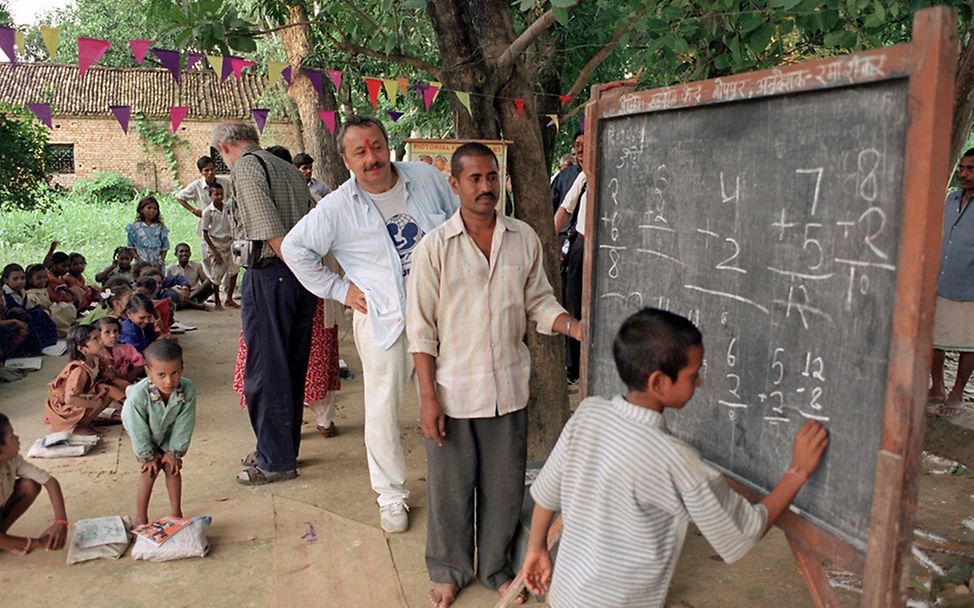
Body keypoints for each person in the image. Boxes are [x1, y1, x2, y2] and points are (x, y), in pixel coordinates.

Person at [520, 308, 830, 607]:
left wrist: (536, 547)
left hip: (568, 593)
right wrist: (798, 471)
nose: (699, 383)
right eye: (692, 375)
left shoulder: (589, 413)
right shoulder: (677, 461)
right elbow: (743, 530)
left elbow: (548, 492)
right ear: (658, 382)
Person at [407, 143, 583, 608]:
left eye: (492, 177)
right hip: (453, 390)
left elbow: (539, 301)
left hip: (508, 386)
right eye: (475, 179)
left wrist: (573, 325)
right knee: (450, 490)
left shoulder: (522, 238)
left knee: (505, 489)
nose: (486, 187)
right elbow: (420, 331)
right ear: (455, 183)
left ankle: (496, 569)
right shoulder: (434, 248)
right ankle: (448, 570)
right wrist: (428, 398)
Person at [282, 115, 457, 532]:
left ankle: (453, 483)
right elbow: (295, 248)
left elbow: (457, 224)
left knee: (451, 399)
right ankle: (392, 494)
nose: (371, 158)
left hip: (443, 313)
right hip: (384, 319)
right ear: (346, 160)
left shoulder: (425, 178)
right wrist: (341, 291)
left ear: (388, 145)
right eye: (360, 151)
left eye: (376, 146)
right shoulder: (337, 207)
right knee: (382, 409)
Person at [210, 121, 317, 486]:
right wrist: (307, 271)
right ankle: (283, 448)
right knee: (290, 365)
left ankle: (274, 460)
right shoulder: (286, 166)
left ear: (225, 147)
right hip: (299, 278)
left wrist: (293, 265)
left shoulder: (247, 166)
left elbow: (268, 227)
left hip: (273, 272)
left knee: (265, 371)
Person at [122, 340, 195, 527]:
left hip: (169, 433)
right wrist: (148, 455)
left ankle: (176, 512)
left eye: (175, 373)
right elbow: (137, 429)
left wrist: (174, 452)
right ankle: (140, 517)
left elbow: (184, 423)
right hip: (143, 432)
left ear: (182, 368)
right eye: (161, 375)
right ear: (148, 372)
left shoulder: (187, 389)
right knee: (150, 471)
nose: (169, 381)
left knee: (172, 468)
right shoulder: (137, 397)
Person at [931, 148, 974, 417]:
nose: (964, 174)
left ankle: (957, 394)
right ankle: (937, 388)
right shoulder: (950, 199)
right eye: (962, 168)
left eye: (971, 169)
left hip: (970, 285)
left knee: (968, 342)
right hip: (942, 279)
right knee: (934, 339)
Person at [0, 413, 69, 555]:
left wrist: (61, 521)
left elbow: (50, 482)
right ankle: (4, 542)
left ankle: (4, 539)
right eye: (12, 437)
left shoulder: (11, 460)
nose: (18, 438)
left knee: (30, 485)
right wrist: (37, 543)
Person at [45, 324, 124, 435]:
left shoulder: (96, 360)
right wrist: (93, 404)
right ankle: (80, 427)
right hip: (64, 409)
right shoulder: (79, 370)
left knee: (110, 387)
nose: (101, 342)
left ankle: (87, 422)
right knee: (105, 394)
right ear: (82, 349)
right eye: (95, 339)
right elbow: (70, 399)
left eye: (99, 337)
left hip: (79, 398)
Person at [553, 132, 587, 387]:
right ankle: (573, 369)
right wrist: (545, 243)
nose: (580, 151)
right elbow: (563, 211)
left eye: (586, 146)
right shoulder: (581, 178)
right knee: (573, 306)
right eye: (577, 146)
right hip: (579, 247)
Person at [199, 184, 239, 309]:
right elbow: (205, 233)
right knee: (217, 274)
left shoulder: (228, 208)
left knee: (234, 270)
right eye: (216, 194)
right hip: (216, 244)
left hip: (230, 242)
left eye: (221, 194)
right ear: (210, 196)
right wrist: (214, 251)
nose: (219, 197)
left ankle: (229, 298)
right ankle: (217, 300)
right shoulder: (207, 212)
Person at [174, 155, 231, 240]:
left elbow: (235, 195)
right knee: (207, 248)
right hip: (206, 223)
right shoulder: (196, 186)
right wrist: (193, 210)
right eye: (206, 170)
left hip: (223, 222)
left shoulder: (225, 182)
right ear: (201, 172)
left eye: (212, 169)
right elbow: (179, 197)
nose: (210, 173)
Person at [2, 263, 58, 349]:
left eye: (22, 278)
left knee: (39, 314)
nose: (20, 282)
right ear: (6, 280)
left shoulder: (23, 292)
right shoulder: (3, 295)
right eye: (15, 279)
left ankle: (48, 343)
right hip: (8, 324)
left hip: (23, 319)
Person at [25, 264, 76, 336]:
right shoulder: (30, 294)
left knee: (67, 306)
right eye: (39, 278)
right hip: (45, 314)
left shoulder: (43, 289)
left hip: (50, 309)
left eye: (45, 277)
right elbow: (33, 308)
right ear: (30, 280)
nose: (43, 280)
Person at [126, 196, 171, 267]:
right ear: (141, 210)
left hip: (156, 264)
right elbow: (131, 247)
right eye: (149, 208)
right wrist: (139, 260)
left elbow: (165, 247)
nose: (152, 210)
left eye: (155, 208)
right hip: (140, 264)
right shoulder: (134, 228)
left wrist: (160, 262)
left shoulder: (160, 228)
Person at [97, 317, 144, 382]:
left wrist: (130, 376)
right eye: (107, 332)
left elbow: (140, 363)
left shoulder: (127, 348)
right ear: (98, 335)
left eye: (115, 331)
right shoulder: (97, 354)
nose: (113, 335)